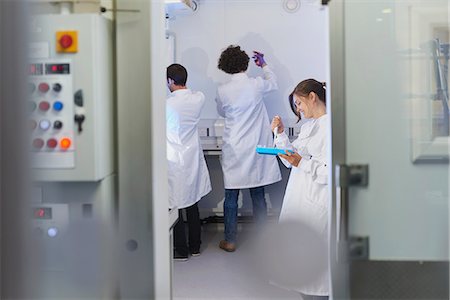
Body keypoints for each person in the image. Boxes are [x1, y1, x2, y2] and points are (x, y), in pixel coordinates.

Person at [216, 45, 281, 252]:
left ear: (225, 66)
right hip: (255, 147)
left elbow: (223, 112)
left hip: (234, 147)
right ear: (246, 64)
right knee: (258, 193)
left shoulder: (222, 90)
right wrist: (264, 65)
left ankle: (230, 240)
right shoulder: (256, 85)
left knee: (231, 196)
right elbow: (274, 83)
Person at [271, 79, 329, 299]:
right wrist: (280, 135)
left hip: (317, 200)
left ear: (312, 97)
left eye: (299, 103)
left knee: (317, 273)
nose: (298, 109)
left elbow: (329, 171)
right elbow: (290, 159)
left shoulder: (331, 127)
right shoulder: (309, 126)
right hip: (300, 199)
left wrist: (301, 163)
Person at [166, 63, 212, 261]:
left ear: (169, 81)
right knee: (192, 203)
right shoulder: (198, 98)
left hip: (174, 159)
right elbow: (196, 95)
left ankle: (181, 250)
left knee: (174, 205)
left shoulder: (166, 104)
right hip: (192, 157)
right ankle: (195, 247)